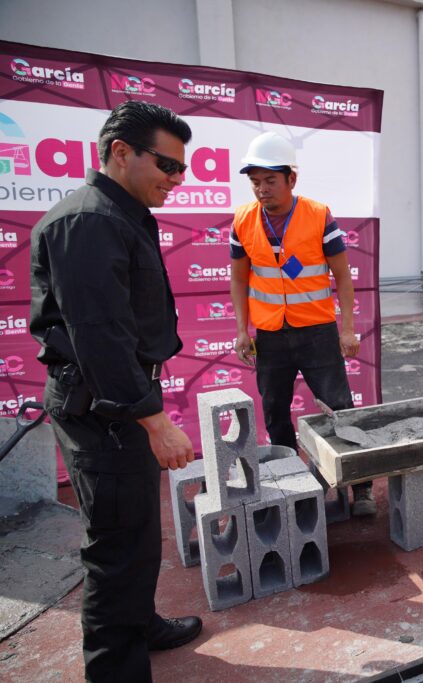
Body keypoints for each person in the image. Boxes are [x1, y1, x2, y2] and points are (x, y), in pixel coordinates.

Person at [29, 101, 202, 681]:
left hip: (117, 403)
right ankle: (115, 669)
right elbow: (100, 336)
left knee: (137, 532)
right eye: (167, 165)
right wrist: (155, 421)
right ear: (121, 153)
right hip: (103, 410)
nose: (176, 179)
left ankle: (140, 623)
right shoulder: (89, 221)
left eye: (182, 169)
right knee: (116, 546)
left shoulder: (119, 214)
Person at [228, 132, 376, 515]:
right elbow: (239, 279)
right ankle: (291, 487)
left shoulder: (318, 215)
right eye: (255, 181)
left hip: (317, 334)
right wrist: (242, 330)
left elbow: (342, 276)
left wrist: (347, 328)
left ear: (291, 179)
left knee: (340, 408)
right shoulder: (242, 220)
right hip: (270, 337)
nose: (262, 189)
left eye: (270, 180)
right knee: (275, 412)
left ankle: (360, 487)